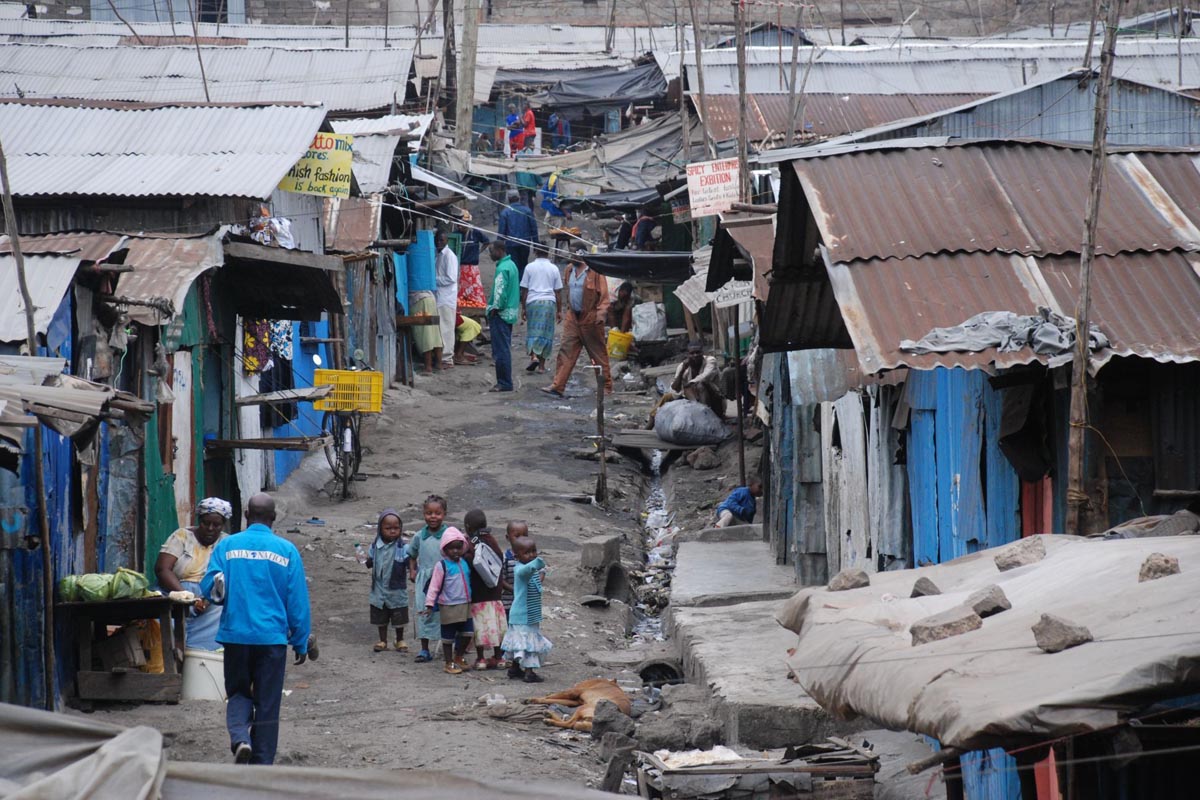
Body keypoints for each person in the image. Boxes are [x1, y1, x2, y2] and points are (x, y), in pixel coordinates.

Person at [201, 493, 310, 766]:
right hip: (271, 639)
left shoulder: (227, 547)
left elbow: (210, 588)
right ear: (274, 518)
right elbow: (297, 602)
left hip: (236, 636)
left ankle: (240, 738)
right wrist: (300, 641)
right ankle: (262, 764)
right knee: (268, 702)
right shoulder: (286, 551)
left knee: (238, 693)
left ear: (247, 515)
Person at [155, 497, 231, 651]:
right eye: (205, 523)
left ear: (223, 525)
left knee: (224, 614)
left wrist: (207, 599)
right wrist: (186, 596)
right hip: (175, 592)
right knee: (161, 626)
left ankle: (198, 657)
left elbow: (228, 576)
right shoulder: (182, 536)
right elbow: (162, 569)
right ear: (199, 520)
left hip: (210, 599)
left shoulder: (227, 542)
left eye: (216, 525)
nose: (210, 528)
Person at [541, 251, 612, 398]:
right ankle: (558, 386)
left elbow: (604, 296)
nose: (570, 258)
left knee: (597, 354)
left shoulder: (595, 271)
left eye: (572, 255)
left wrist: (600, 314)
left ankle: (606, 387)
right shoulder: (569, 270)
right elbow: (568, 290)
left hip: (590, 318)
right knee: (566, 351)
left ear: (581, 255)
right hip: (573, 317)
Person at [421, 527, 474, 674]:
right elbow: (434, 586)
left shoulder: (464, 563)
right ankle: (448, 662)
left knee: (468, 633)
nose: (455, 551)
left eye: (458, 548)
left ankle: (459, 656)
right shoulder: (442, 566)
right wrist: (429, 604)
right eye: (451, 548)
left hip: (465, 604)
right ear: (445, 549)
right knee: (448, 636)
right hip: (448, 605)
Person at [501, 536, 551, 683]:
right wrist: (538, 562)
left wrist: (541, 570)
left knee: (520, 643)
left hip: (530, 614)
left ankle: (514, 668)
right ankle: (529, 672)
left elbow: (536, 580)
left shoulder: (531, 571)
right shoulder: (520, 570)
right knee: (528, 644)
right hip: (523, 615)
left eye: (534, 551)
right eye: (527, 553)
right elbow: (526, 570)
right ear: (517, 556)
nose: (532, 555)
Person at [463, 509, 507, 670]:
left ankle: (481, 658)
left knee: (480, 628)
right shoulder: (492, 540)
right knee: (496, 626)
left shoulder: (472, 543)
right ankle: (499, 657)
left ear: (468, 527)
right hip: (495, 593)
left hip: (479, 594)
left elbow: (470, 561)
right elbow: (499, 558)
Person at [408, 495, 449, 662]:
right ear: (423, 514)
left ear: (444, 514)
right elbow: (412, 555)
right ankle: (424, 649)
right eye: (429, 513)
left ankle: (448, 646)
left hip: (445, 580)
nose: (433, 517)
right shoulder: (419, 536)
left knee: (445, 613)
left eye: (437, 513)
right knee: (424, 612)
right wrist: (412, 570)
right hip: (424, 580)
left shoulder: (448, 534)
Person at [366, 509, 409, 652]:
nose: (392, 531)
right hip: (379, 589)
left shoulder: (403, 547)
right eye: (388, 528)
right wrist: (367, 561)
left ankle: (400, 640)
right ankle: (383, 640)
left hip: (396, 590)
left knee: (398, 616)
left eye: (396, 528)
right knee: (381, 617)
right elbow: (370, 561)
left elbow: (409, 561)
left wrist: (413, 568)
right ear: (380, 529)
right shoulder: (375, 546)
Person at [521, 245, 563, 374]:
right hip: (548, 303)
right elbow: (558, 291)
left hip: (533, 302)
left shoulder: (529, 267)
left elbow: (524, 290)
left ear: (535, 252)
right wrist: (559, 310)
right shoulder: (554, 268)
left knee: (533, 331)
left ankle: (533, 356)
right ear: (548, 252)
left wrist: (523, 308)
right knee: (546, 333)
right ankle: (541, 367)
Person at [485, 241, 520, 393]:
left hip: (501, 313)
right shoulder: (511, 265)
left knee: (501, 350)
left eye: (491, 251)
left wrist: (494, 309)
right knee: (504, 347)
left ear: (499, 251)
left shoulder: (502, 268)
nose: (490, 254)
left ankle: (504, 382)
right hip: (510, 313)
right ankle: (505, 381)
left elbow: (500, 293)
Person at [672, 340, 725, 419]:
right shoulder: (683, 366)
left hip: (715, 402)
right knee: (669, 397)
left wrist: (689, 385)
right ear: (687, 355)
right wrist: (682, 370)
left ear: (702, 353)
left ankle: (706, 415)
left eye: (698, 352)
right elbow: (675, 388)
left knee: (700, 385)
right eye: (692, 353)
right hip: (693, 399)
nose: (695, 355)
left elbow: (704, 376)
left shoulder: (710, 361)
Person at [497, 190, 538, 276]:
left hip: (511, 244)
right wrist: (536, 244)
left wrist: (498, 247)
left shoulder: (505, 212)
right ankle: (522, 282)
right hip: (525, 243)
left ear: (508, 199)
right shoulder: (527, 211)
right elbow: (533, 228)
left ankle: (515, 282)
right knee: (523, 264)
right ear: (519, 198)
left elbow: (501, 232)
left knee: (513, 265)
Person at [434, 232, 459, 370]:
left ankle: (447, 358)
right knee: (441, 328)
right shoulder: (438, 255)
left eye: (441, 240)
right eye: (437, 240)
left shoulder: (449, 256)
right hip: (440, 297)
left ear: (447, 240)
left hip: (446, 298)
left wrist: (433, 280)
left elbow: (451, 278)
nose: (439, 242)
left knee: (447, 329)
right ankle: (442, 357)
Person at [455, 210, 489, 310]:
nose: (460, 227)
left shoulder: (475, 233)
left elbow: (486, 242)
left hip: (472, 268)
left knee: (474, 290)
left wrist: (478, 252)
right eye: (459, 224)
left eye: (463, 224)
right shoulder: (456, 234)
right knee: (461, 291)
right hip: (460, 267)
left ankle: (477, 308)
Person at [500, 520, 526, 620]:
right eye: (517, 536)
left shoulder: (530, 557)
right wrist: (516, 590)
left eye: (525, 535)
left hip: (525, 603)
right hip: (509, 603)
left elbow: (541, 571)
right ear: (508, 538)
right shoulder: (505, 558)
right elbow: (501, 580)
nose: (521, 539)